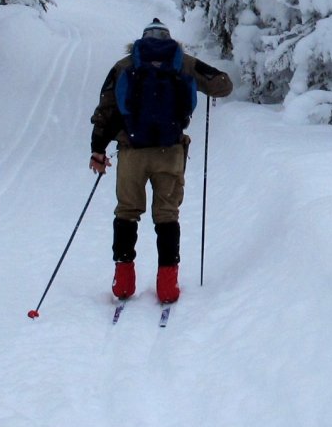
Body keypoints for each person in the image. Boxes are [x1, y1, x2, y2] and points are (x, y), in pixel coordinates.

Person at [89, 19, 233, 303]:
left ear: (141, 40)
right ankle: (167, 285)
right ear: (169, 39)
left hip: (132, 152)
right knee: (167, 216)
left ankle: (123, 281)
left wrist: (98, 150)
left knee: (127, 213)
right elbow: (223, 85)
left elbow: (105, 110)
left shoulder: (125, 65)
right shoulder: (183, 62)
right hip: (170, 152)